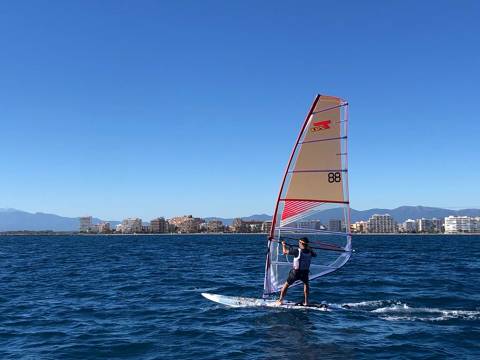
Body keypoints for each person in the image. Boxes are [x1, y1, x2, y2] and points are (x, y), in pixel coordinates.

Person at [277, 237, 316, 306]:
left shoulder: (297, 251)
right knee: (306, 285)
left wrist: (283, 244)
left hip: (295, 273)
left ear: (301, 243)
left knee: (286, 285)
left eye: (299, 243)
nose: (298, 244)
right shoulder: (310, 252)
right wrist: (309, 248)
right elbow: (315, 255)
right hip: (305, 273)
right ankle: (306, 302)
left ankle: (280, 300)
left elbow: (285, 252)